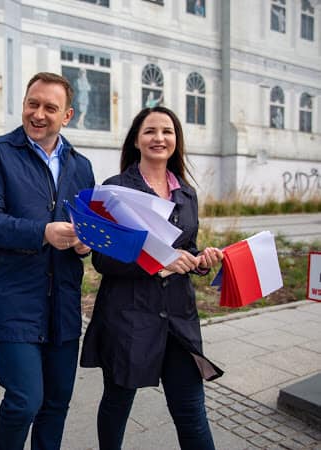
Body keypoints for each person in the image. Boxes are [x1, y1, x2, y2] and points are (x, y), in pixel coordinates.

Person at [80, 106, 224, 450]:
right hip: (128, 315)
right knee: (117, 404)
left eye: (167, 131)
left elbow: (186, 248)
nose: (159, 138)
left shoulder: (186, 193)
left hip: (178, 319)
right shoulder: (115, 190)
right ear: (136, 140)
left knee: (191, 412)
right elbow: (102, 258)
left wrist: (201, 261)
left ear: (176, 140)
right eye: (150, 131)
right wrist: (160, 263)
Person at [0, 72, 96, 450]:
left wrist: (85, 246)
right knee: (24, 401)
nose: (38, 114)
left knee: (56, 404)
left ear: (67, 116)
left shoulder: (81, 165)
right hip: (14, 302)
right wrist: (43, 232)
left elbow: (88, 227)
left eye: (50, 108)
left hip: (63, 305)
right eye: (32, 104)